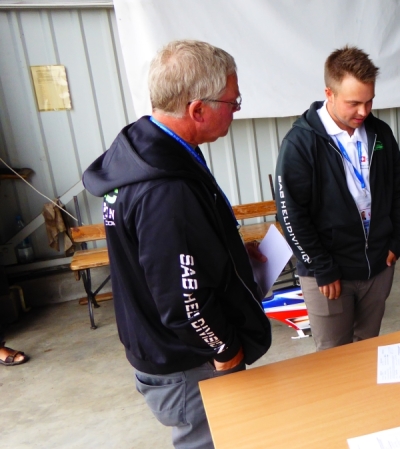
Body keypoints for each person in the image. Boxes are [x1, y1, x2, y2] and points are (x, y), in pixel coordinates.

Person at [82, 40, 272, 449]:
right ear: (197, 110)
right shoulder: (165, 190)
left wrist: (228, 253)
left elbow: (167, 255)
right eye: (233, 102)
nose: (237, 110)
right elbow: (183, 300)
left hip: (161, 345)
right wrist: (225, 349)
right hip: (189, 360)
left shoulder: (146, 152)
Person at [275, 46, 400, 351]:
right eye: (353, 103)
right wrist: (321, 267)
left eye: (369, 101)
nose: (363, 111)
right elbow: (291, 214)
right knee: (334, 358)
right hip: (328, 274)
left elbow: (399, 189)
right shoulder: (300, 143)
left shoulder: (380, 133)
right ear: (330, 93)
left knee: (367, 350)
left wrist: (398, 241)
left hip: (378, 266)